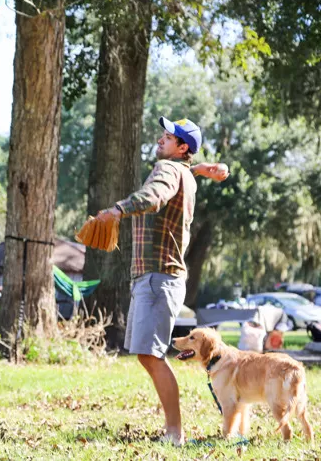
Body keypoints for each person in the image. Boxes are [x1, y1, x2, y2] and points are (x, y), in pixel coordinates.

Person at [97, 117, 229, 446]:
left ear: (182, 147)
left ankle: (175, 433)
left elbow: (155, 196)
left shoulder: (166, 171)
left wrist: (117, 209)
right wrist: (199, 169)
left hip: (158, 275)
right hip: (158, 275)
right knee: (147, 353)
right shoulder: (182, 171)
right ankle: (174, 431)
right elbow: (177, 178)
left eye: (167, 138)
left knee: (152, 354)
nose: (160, 140)